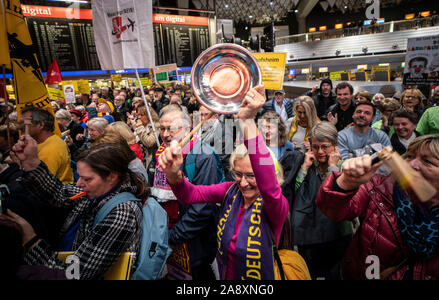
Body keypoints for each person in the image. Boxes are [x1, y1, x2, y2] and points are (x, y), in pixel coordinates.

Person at [159, 85, 289, 280]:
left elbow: (268, 185)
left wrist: (246, 121)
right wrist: (173, 174)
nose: (243, 183)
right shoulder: (231, 190)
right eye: (238, 174)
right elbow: (191, 195)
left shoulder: (275, 205)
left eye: (252, 176)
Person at [9, 139, 148, 280]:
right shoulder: (99, 191)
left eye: (86, 179)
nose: (79, 183)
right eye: (79, 176)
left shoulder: (122, 213)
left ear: (111, 176)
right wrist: (31, 163)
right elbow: (59, 192)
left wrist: (32, 241)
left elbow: (75, 274)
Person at [316, 134, 439, 280]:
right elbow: (333, 210)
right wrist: (346, 182)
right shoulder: (380, 187)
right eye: (410, 156)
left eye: (427, 161)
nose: (412, 165)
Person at [152, 108, 223, 280]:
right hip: (169, 235)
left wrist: (174, 236)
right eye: (162, 128)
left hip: (194, 243)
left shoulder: (203, 156)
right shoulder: (162, 154)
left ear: (187, 128)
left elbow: (203, 208)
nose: (165, 134)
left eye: (171, 128)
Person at [280, 121, 353, 280]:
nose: (320, 151)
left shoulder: (343, 166)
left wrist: (332, 167)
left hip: (337, 233)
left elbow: (334, 194)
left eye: (325, 146)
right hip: (309, 233)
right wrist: (305, 168)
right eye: (315, 146)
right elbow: (296, 191)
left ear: (335, 145)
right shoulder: (306, 164)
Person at [20, 107, 73, 184]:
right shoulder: (50, 141)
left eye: (25, 123)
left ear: (41, 125)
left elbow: (37, 185)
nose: (20, 126)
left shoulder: (49, 150)